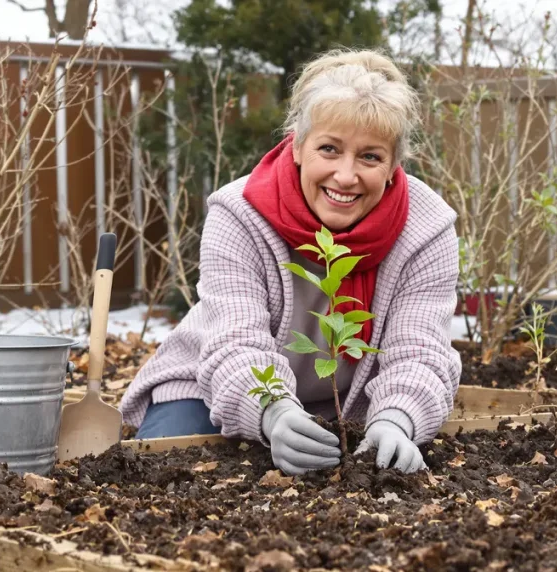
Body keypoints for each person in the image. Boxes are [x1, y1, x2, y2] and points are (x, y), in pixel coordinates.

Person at [118, 48, 461, 475]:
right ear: (297, 146)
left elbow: (419, 350)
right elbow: (235, 343)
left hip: (354, 403)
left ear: (394, 166)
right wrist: (275, 411)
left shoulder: (425, 228)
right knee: (158, 474)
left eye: (370, 156)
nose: (346, 176)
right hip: (211, 390)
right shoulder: (240, 213)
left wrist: (397, 419)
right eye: (329, 149)